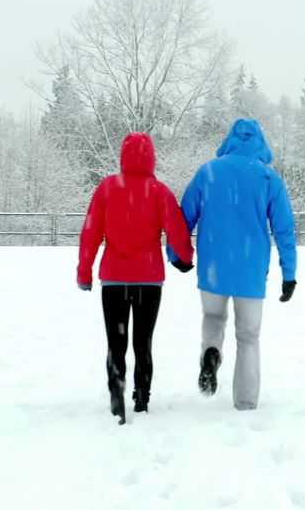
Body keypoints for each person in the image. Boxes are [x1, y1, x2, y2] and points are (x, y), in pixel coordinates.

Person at [169, 118, 297, 411]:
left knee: (213, 317)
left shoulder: (209, 172)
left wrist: (178, 255)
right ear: (260, 143)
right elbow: (284, 230)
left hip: (213, 267)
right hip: (250, 271)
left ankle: (211, 352)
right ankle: (246, 402)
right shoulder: (269, 179)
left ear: (230, 140)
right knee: (248, 337)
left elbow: (183, 218)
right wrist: (289, 273)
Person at [77, 133, 194, 425]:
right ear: (151, 156)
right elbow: (177, 231)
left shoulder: (107, 188)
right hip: (148, 281)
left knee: (116, 343)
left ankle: (116, 392)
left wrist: (84, 272)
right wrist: (185, 259)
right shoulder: (158, 191)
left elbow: (90, 232)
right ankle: (142, 397)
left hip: (114, 281)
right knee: (143, 342)